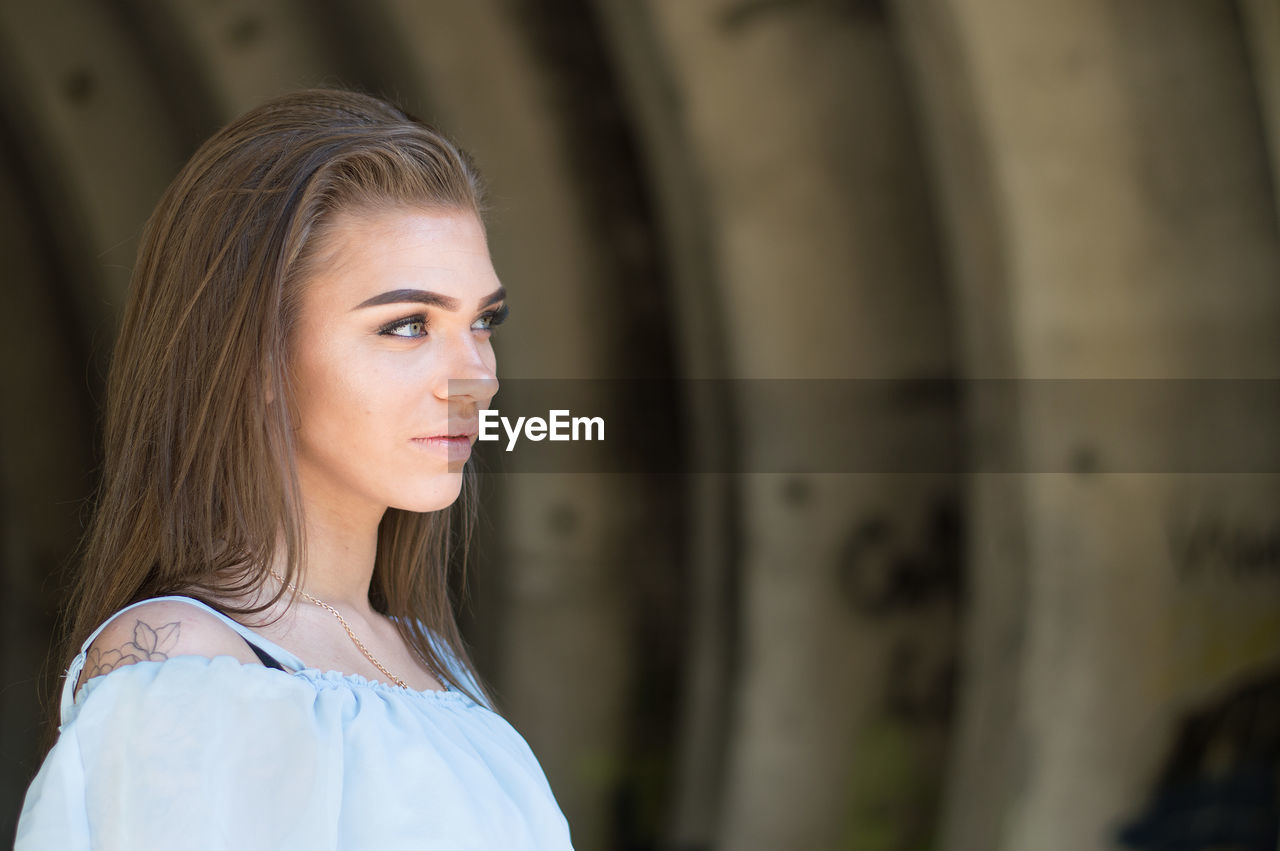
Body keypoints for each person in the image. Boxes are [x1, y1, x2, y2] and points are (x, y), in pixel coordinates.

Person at [14, 88, 574, 849]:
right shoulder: (182, 660)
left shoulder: (429, 658)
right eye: (408, 325)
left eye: (483, 321)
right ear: (256, 355)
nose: (474, 376)